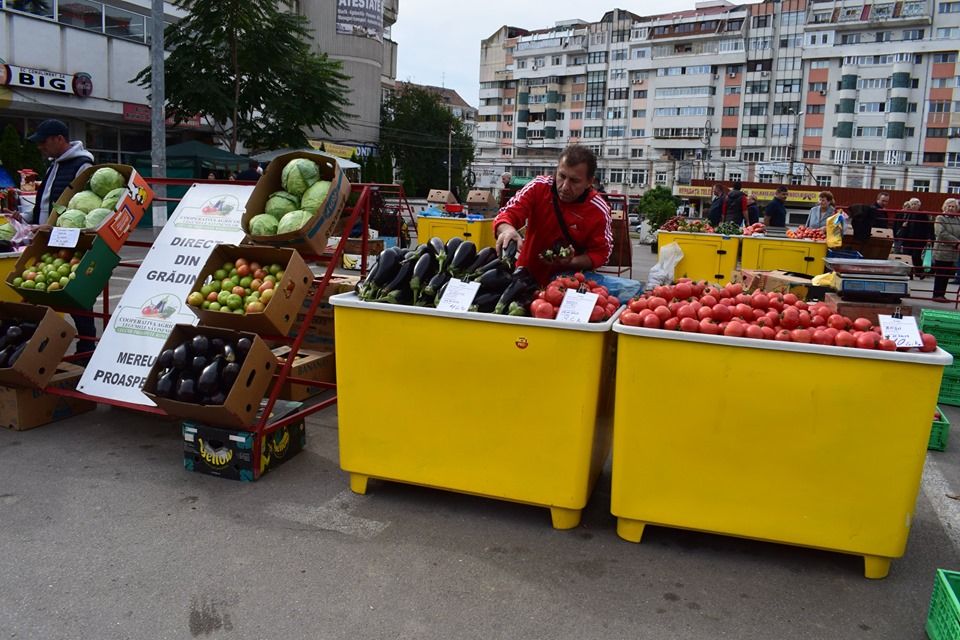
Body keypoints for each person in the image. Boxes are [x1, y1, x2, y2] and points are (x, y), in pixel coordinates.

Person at [493, 144, 612, 286]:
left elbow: (602, 253)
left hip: (566, 286)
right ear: (556, 171)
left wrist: (571, 262)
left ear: (589, 182)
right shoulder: (538, 187)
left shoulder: (598, 209)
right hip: (524, 278)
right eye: (562, 176)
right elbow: (507, 213)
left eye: (574, 181)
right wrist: (508, 230)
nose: (565, 187)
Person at [27, 119, 97, 356]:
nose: (40, 147)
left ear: (59, 139)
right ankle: (38, 349)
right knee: (44, 293)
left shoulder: (82, 165)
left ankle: (86, 348)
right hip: (47, 241)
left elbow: (81, 208)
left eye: (44, 142)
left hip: (69, 241)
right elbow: (48, 202)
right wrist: (28, 217)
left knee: (76, 298)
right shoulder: (54, 165)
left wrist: (54, 227)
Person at [896, 198, 934, 278]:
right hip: (907, 239)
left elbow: (928, 227)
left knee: (916, 256)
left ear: (919, 205)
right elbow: (899, 224)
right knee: (907, 256)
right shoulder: (907, 214)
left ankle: (919, 272)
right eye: (912, 204)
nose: (913, 206)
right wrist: (903, 226)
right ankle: (909, 273)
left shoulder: (923, 215)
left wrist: (929, 238)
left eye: (915, 204)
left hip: (919, 239)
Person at [932, 198, 960, 303]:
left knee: (946, 274)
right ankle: (937, 295)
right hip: (942, 250)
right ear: (945, 207)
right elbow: (941, 233)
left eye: (953, 206)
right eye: (949, 206)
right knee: (941, 273)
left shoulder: (958, 219)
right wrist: (957, 242)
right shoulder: (940, 218)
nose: (951, 208)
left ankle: (941, 294)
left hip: (953, 252)